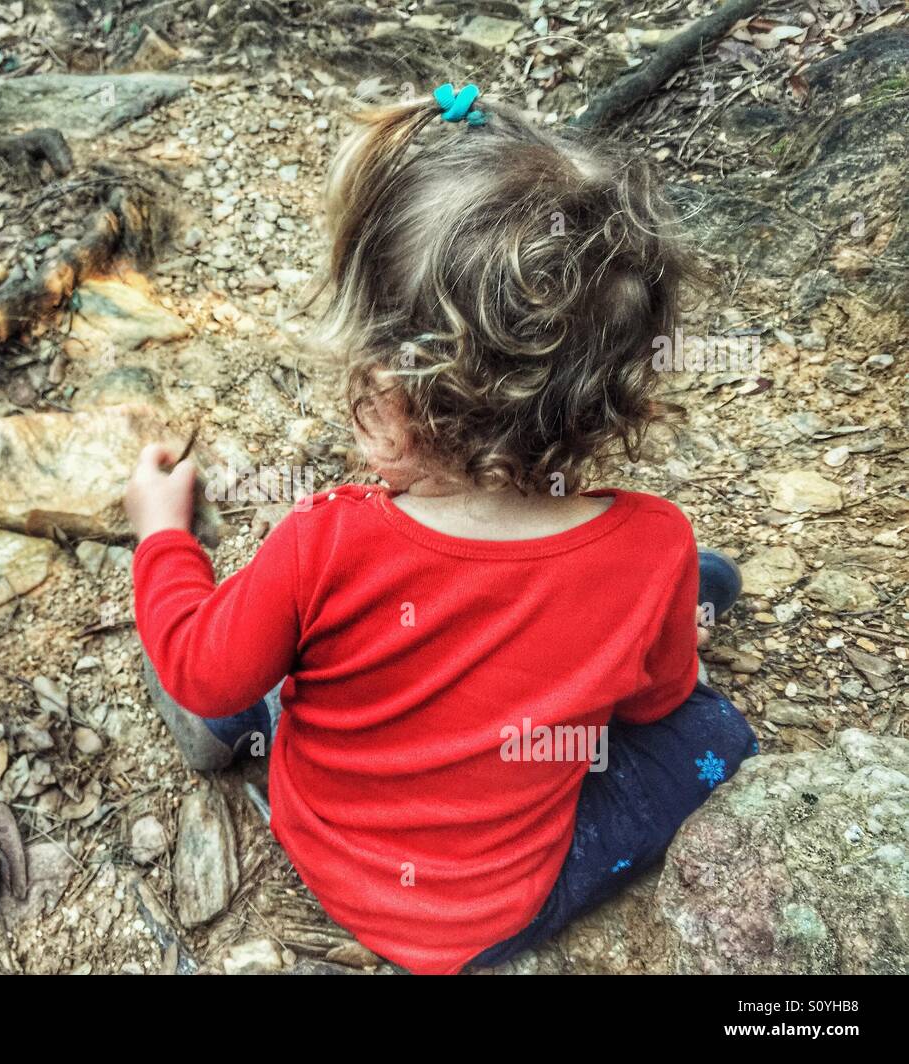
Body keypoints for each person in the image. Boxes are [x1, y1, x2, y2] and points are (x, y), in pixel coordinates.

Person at [123, 85, 758, 975]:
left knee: (245, 637)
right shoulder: (652, 543)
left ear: (385, 405)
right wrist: (613, 637)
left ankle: (237, 722)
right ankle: (687, 601)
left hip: (320, 839)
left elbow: (193, 666)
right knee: (716, 731)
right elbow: (653, 705)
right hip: (484, 922)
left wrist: (163, 539)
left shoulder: (327, 539)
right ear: (621, 394)